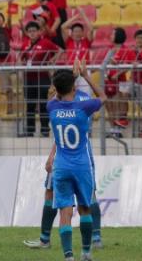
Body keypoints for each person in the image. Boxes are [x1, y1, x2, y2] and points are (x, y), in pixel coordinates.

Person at [47, 61, 106, 261]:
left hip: (61, 166)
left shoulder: (52, 107)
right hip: (81, 165)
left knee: (65, 211)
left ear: (56, 88)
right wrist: (85, 75)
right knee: (84, 208)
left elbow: (54, 96)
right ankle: (87, 252)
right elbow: (103, 97)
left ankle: (68, 256)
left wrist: (63, 82)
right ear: (74, 87)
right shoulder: (84, 107)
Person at [21, 19, 59, 137]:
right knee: (30, 105)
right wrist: (21, 64)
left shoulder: (46, 42)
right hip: (29, 78)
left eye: (34, 31)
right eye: (30, 31)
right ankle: (30, 130)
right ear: (27, 33)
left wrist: (51, 61)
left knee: (43, 104)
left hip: (42, 77)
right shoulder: (25, 44)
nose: (32, 33)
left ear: (39, 32)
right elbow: (21, 57)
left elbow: (59, 51)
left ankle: (44, 129)